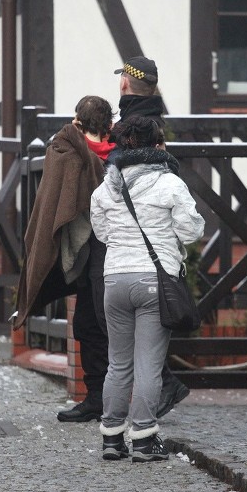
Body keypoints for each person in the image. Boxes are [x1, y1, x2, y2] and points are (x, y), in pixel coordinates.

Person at [91, 115, 205, 462]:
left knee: (118, 364)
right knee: (148, 366)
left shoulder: (105, 187)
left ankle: (111, 437)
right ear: (155, 145)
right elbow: (191, 231)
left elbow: (101, 232)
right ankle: (142, 440)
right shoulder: (169, 183)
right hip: (153, 282)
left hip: (114, 280)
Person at [13, 97, 111, 419]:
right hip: (103, 254)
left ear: (77, 122)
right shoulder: (106, 156)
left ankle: (103, 399)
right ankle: (99, 398)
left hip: (99, 254)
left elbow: (50, 210)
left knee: (97, 324)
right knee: (91, 322)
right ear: (107, 125)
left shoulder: (65, 150)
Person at [112, 56, 192, 417]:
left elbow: (118, 174)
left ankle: (136, 420)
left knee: (133, 342)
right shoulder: (153, 120)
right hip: (147, 246)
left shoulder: (133, 123)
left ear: (125, 83)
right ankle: (152, 399)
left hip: (131, 246)